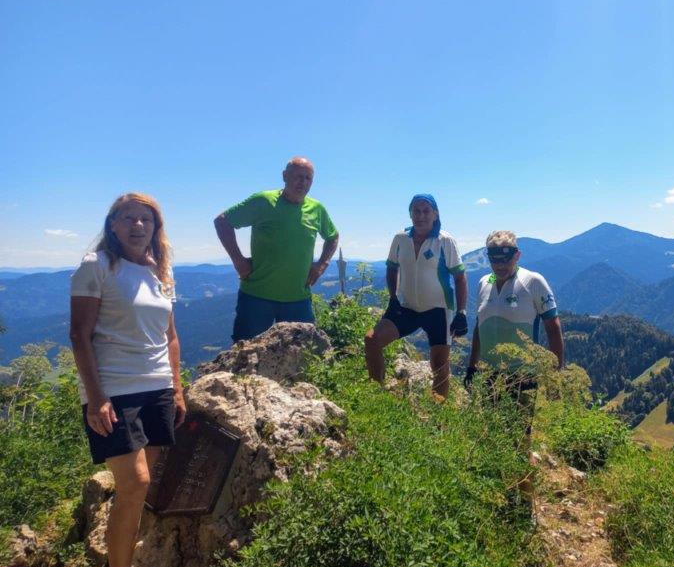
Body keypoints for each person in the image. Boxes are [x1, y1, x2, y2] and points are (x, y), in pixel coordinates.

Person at [69, 193, 187, 567]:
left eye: (147, 220)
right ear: (113, 224)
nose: (139, 226)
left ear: (156, 229)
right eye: (129, 218)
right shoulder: (96, 266)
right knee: (134, 483)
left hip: (156, 387)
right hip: (114, 391)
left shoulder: (161, 272)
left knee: (139, 489)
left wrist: (177, 388)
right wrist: (95, 397)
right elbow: (80, 335)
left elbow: (170, 336)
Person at [465, 230, 564, 518]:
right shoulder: (483, 283)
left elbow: (553, 329)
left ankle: (525, 508)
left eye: (505, 255)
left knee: (520, 442)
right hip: (489, 374)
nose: (499, 261)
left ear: (517, 255)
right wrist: (472, 367)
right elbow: (479, 329)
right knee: (492, 437)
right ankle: (501, 498)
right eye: (493, 255)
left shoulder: (533, 282)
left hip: (522, 376)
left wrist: (554, 374)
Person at [214, 157, 339, 342]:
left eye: (308, 178)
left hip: (298, 298)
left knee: (302, 358)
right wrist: (238, 260)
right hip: (256, 296)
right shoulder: (263, 201)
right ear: (284, 176)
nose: (303, 182)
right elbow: (223, 221)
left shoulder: (316, 209)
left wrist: (321, 264)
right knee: (245, 354)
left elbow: (333, 236)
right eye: (298, 176)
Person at [364, 194, 468, 400]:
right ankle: (378, 395)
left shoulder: (445, 241)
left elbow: (460, 277)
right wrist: (393, 298)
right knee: (372, 340)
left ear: (435, 214)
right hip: (406, 307)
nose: (421, 216)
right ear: (410, 214)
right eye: (416, 211)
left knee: (439, 364)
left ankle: (439, 416)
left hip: (438, 310)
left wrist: (461, 312)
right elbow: (392, 269)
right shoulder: (400, 239)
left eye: (426, 211)